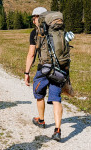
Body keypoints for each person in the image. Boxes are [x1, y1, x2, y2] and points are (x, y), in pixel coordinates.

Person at [24, 7, 63, 141]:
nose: (33, 21)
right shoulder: (58, 30)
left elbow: (31, 54)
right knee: (56, 98)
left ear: (37, 17)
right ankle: (57, 130)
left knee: (39, 93)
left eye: (33, 18)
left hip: (44, 69)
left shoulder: (35, 33)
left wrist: (26, 72)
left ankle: (41, 120)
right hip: (59, 68)